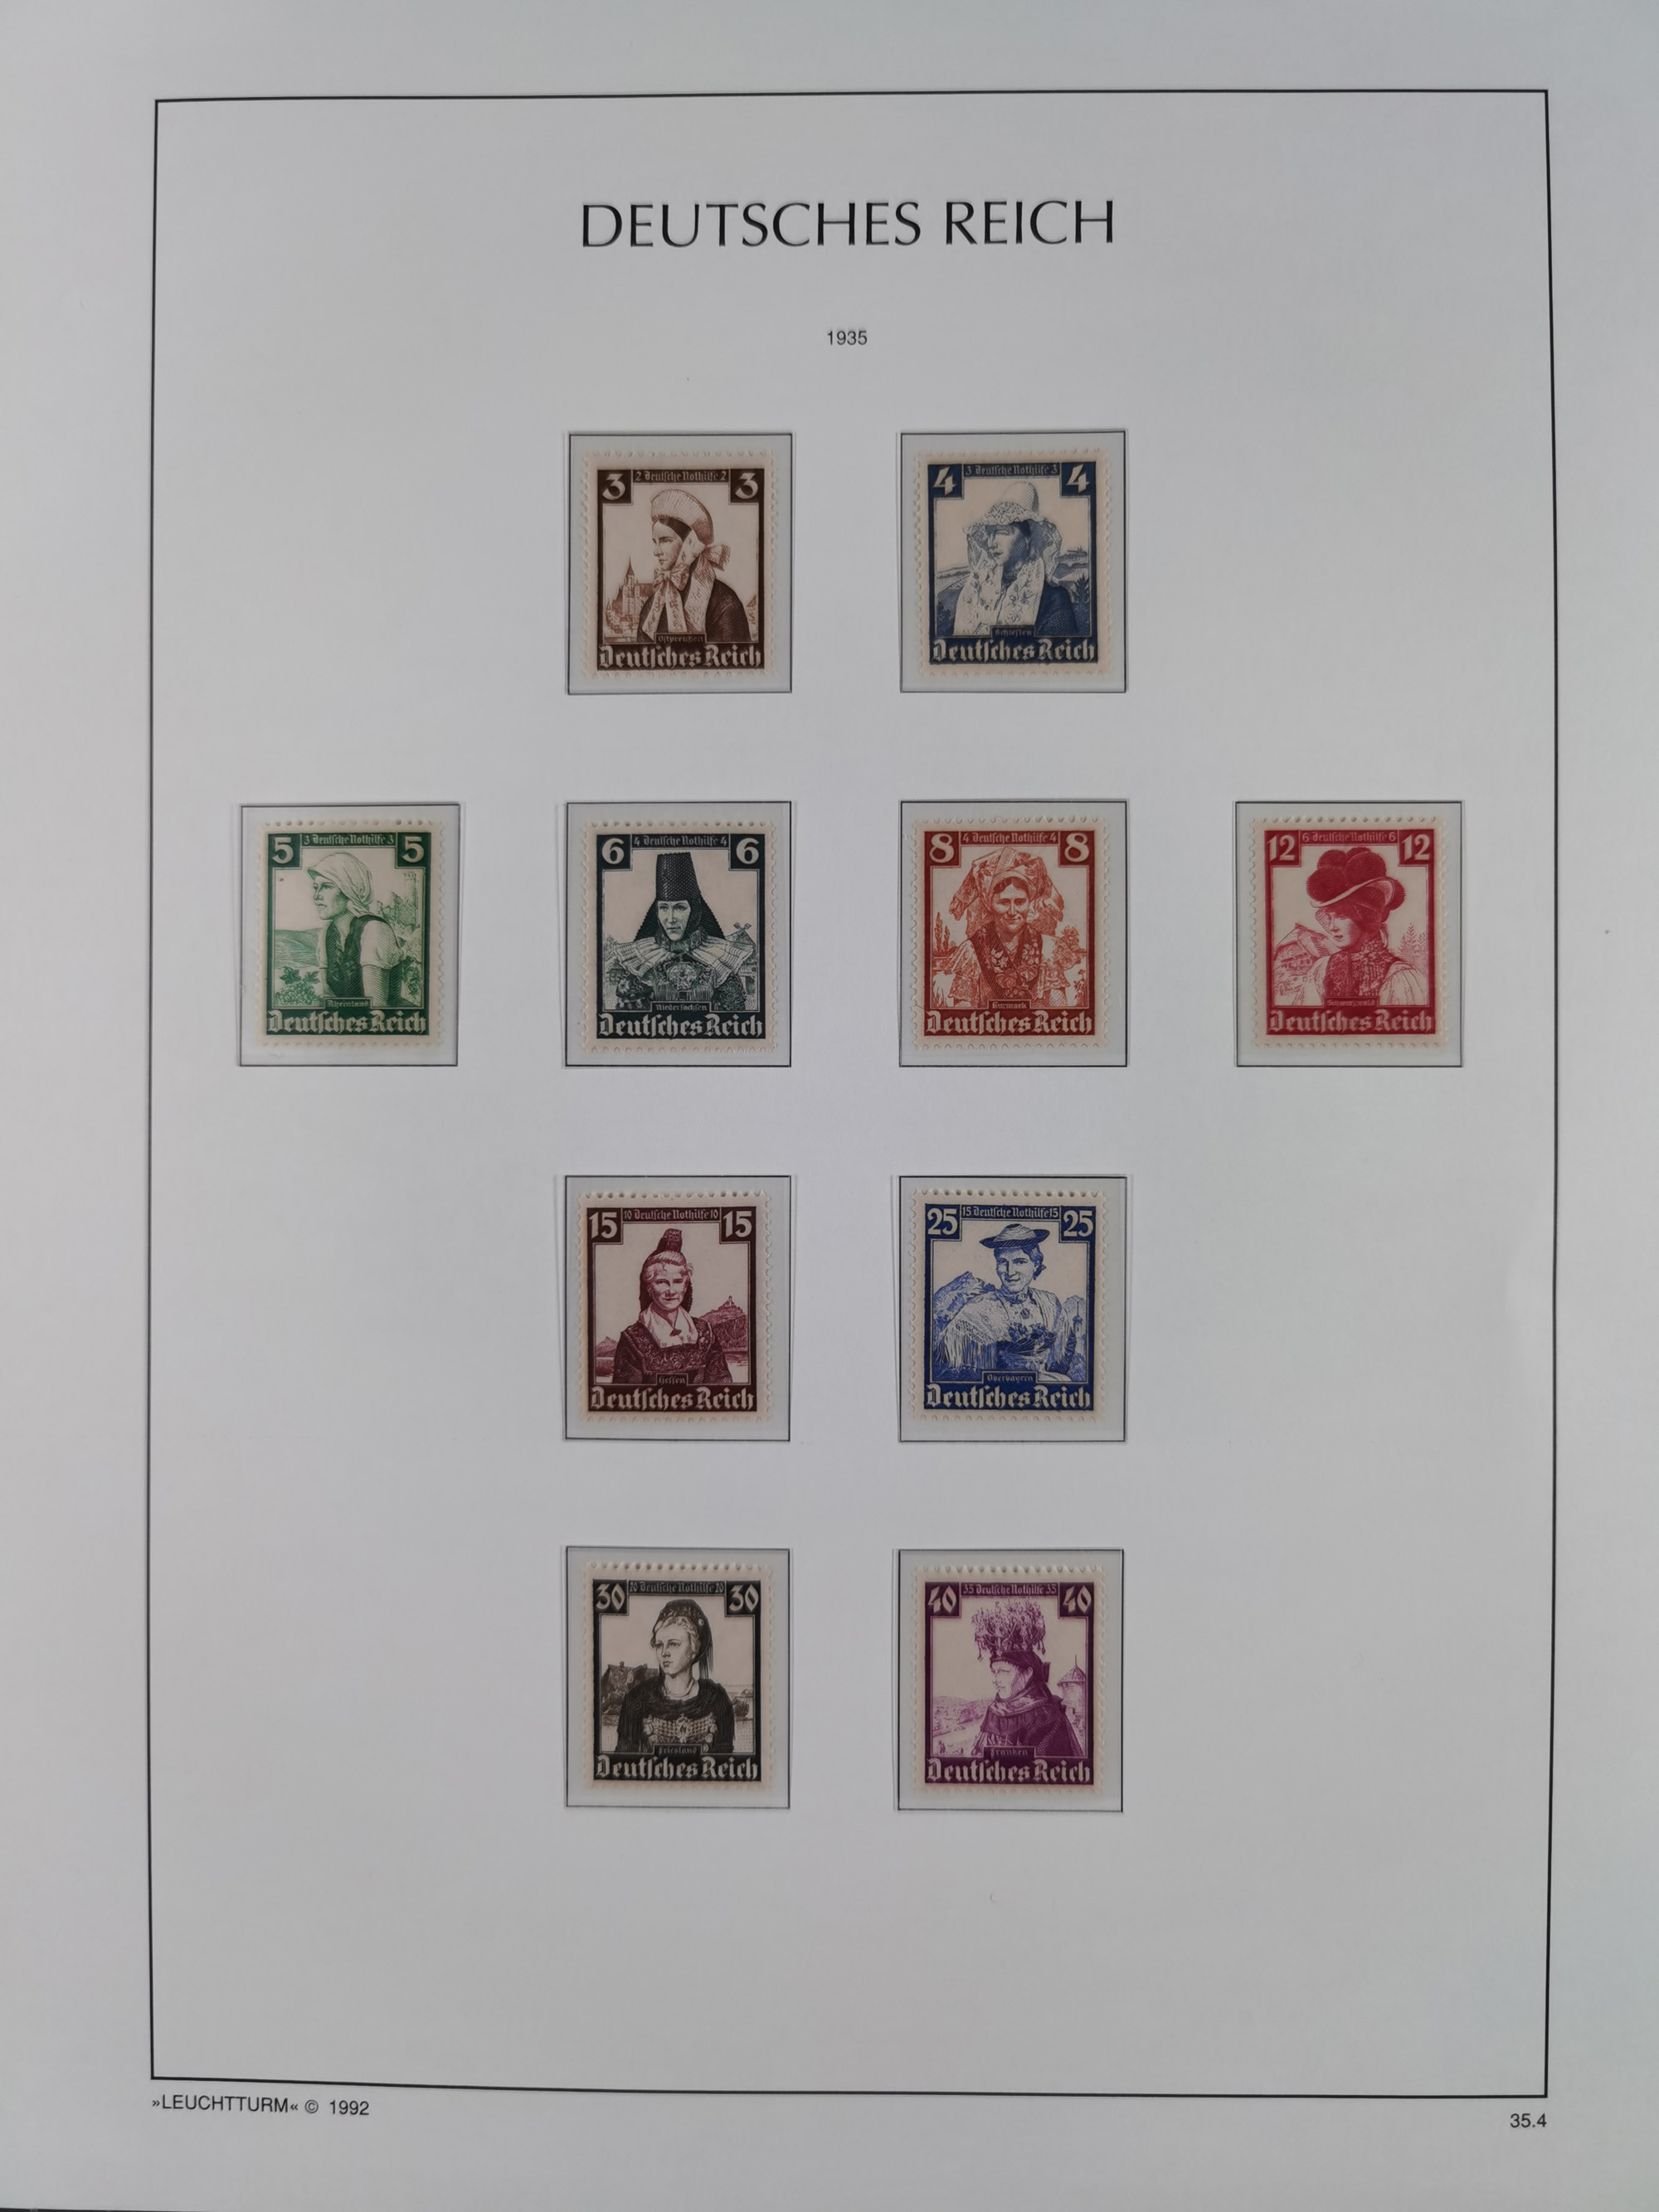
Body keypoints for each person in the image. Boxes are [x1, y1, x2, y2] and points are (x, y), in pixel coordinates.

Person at [934, 1222, 1088, 1386]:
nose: (1010, 1272)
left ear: (1035, 1264)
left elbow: (1063, 1354)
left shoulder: (1050, 1303)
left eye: (1020, 1262)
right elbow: (951, 1365)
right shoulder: (977, 1307)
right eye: (1003, 1262)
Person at [1275, 847, 1429, 1009]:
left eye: (1341, 916)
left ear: (1364, 918)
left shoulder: (1398, 975)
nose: (1332, 927)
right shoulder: (1320, 970)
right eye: (1329, 917)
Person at [937, 847, 1082, 1010]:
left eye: (1020, 902)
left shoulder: (1049, 949)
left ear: (1029, 903)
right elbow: (961, 1012)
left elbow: (1059, 1011)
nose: (1013, 912)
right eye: (1004, 902)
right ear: (990, 905)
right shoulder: (971, 950)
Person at [606, 851, 752, 1010]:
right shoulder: (642, 962)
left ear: (695, 911)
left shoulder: (719, 960)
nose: (670, 919)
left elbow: (734, 1013)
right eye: (664, 908)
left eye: (680, 908)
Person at [944, 479, 1078, 638]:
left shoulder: (1054, 600)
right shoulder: (975, 592)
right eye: (989, 533)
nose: (991, 543)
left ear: (1028, 538)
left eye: (1002, 532)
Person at [609, 1228, 736, 1392]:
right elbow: (624, 1397)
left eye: (677, 1281)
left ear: (686, 1286)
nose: (671, 1290)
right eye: (662, 1282)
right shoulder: (632, 1339)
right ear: (649, 1288)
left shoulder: (705, 1332)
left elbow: (723, 1389)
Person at [611, 1597, 736, 1759]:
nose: (664, 1653)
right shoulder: (636, 1700)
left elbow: (725, 1763)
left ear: (694, 1648)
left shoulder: (716, 1699)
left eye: (674, 1644)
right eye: (659, 1645)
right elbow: (623, 1763)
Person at [969, 1598, 1082, 1761]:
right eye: (994, 1672)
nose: (996, 1679)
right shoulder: (994, 1711)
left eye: (1004, 1671)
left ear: (1027, 1673)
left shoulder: (1047, 1715)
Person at [637, 489, 752, 644]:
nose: (656, 552)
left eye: (665, 541)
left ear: (689, 544)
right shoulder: (651, 608)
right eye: (655, 542)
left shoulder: (725, 603)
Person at [305, 850, 403, 1009]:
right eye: (316, 887)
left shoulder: (375, 929)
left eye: (327, 887)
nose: (317, 896)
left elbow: (376, 1006)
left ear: (349, 891)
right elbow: (329, 998)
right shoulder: (328, 932)